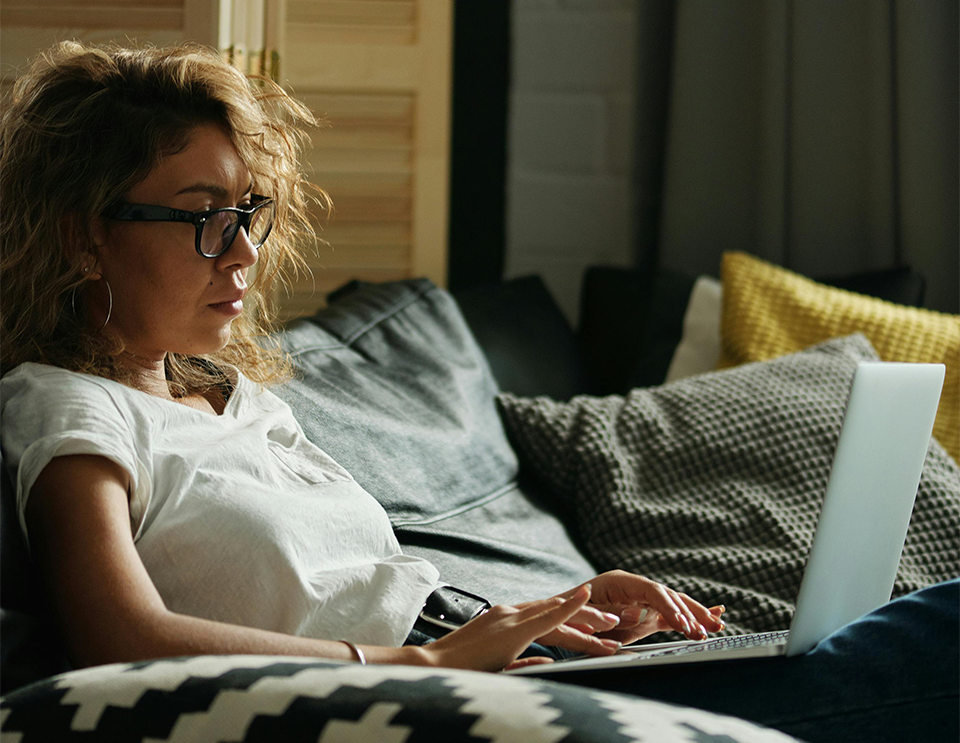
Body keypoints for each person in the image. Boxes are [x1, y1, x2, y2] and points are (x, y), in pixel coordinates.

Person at [0, 41, 956, 743]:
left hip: (480, 663)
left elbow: (375, 590)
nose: (246, 251)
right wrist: (431, 665)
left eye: (248, 211)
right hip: (426, 698)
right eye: (202, 217)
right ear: (83, 237)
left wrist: (565, 607)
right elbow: (119, 639)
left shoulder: (239, 400)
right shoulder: (70, 405)